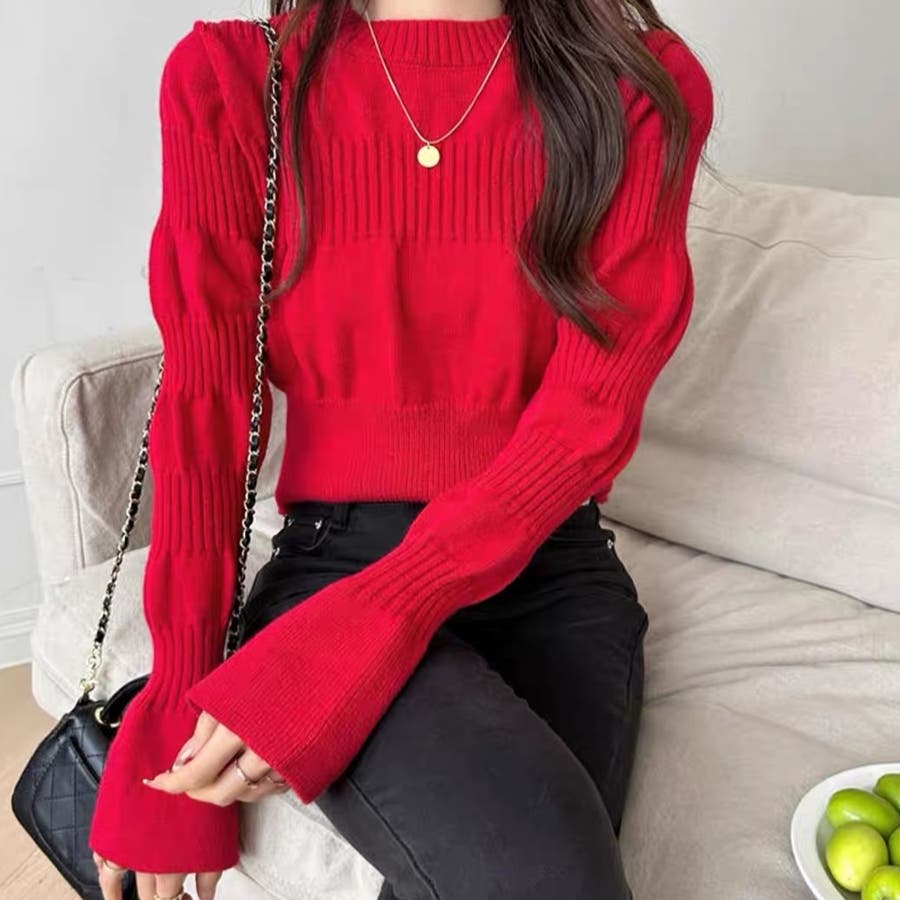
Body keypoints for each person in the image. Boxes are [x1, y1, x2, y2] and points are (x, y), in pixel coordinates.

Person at [87, 1, 714, 898]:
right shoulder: (238, 81)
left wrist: (378, 620)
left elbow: (590, 412)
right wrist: (174, 704)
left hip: (551, 566)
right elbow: (208, 405)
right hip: (336, 556)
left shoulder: (637, 87)